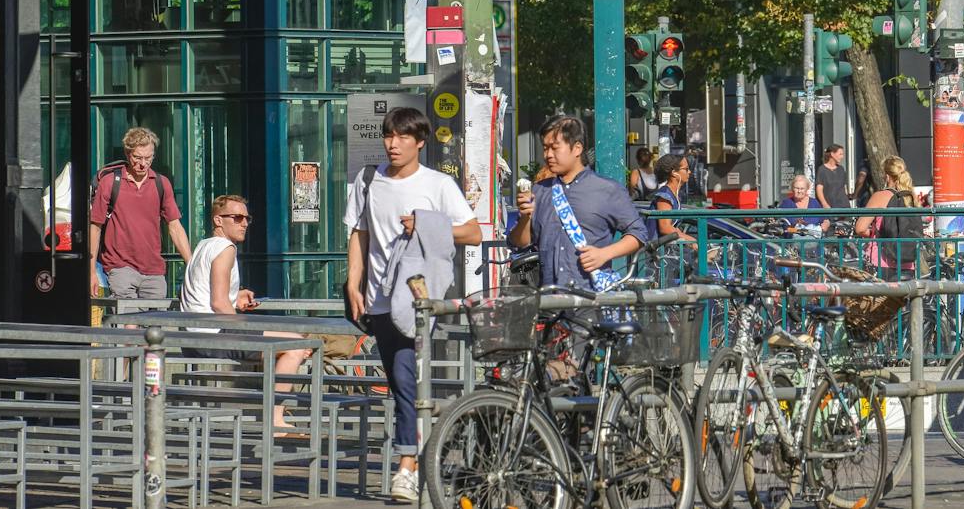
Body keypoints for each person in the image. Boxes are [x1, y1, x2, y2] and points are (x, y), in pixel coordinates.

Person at [343, 107, 481, 503]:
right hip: (378, 299)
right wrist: (354, 284)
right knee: (399, 382)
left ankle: (408, 465)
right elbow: (359, 234)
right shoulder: (368, 180)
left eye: (403, 137)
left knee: (406, 380)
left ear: (420, 142)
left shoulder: (437, 184)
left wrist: (426, 225)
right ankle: (428, 445)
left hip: (418, 300)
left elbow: (472, 233)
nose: (393, 144)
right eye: (389, 136)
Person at [180, 195, 313, 432]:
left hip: (194, 334)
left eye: (247, 218)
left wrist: (237, 296)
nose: (244, 223)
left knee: (289, 342)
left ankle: (271, 410)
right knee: (296, 346)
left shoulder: (203, 245)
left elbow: (209, 292)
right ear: (218, 220)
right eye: (237, 217)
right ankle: (275, 419)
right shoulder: (225, 248)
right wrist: (248, 330)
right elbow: (219, 303)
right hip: (213, 334)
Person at [512, 113, 651, 293]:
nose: (548, 155)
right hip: (549, 301)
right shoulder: (539, 191)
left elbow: (639, 234)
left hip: (591, 300)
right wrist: (525, 218)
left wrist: (604, 254)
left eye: (554, 148)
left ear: (577, 148)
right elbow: (520, 243)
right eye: (545, 148)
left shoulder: (608, 190)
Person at [89, 126, 193, 300]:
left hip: (154, 270)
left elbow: (175, 226)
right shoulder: (110, 183)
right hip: (120, 267)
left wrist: (191, 265)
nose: (143, 164)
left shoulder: (161, 183)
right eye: (137, 157)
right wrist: (91, 271)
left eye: (148, 158)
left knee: (154, 325)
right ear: (128, 154)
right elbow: (95, 228)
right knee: (129, 324)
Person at [857, 156, 927, 276]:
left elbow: (860, 228)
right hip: (908, 263)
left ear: (887, 176)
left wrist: (874, 233)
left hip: (881, 262)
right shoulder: (911, 198)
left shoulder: (879, 197)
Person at [650, 154, 696, 243]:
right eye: (686, 169)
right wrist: (691, 240)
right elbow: (665, 227)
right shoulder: (665, 196)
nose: (689, 172)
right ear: (674, 173)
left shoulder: (674, 195)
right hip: (655, 252)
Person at [816, 144, 851, 211]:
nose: (842, 157)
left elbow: (844, 187)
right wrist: (824, 203)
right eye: (840, 154)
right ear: (832, 154)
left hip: (843, 205)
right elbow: (819, 189)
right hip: (829, 205)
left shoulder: (841, 169)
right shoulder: (822, 170)